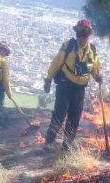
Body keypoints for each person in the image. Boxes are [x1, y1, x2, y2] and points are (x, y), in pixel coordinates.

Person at [43, 19, 103, 152]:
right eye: (79, 35)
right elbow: (56, 63)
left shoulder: (92, 50)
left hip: (80, 89)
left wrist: (97, 76)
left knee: (75, 116)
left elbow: (94, 67)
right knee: (59, 113)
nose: (81, 38)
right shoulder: (68, 46)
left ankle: (67, 144)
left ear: (89, 36)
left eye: (84, 36)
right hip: (65, 85)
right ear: (76, 34)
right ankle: (49, 141)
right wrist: (48, 79)